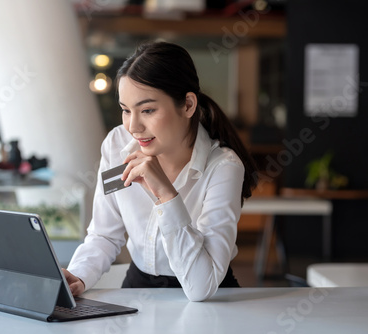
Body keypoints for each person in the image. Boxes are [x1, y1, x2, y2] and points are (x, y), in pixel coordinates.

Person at [63, 41, 257, 302]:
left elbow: (201, 287)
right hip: (139, 286)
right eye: (125, 110)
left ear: (188, 105)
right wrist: (78, 275)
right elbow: (104, 234)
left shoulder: (223, 166)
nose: (133, 126)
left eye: (147, 110)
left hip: (210, 296)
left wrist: (166, 194)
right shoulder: (117, 146)